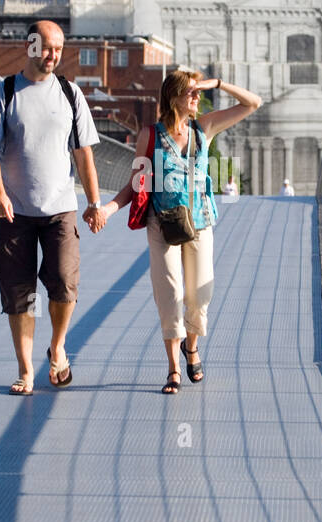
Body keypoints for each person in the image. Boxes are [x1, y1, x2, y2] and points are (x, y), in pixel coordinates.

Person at [101, 70, 261, 393]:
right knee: (170, 294)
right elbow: (136, 184)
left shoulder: (204, 130)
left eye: (197, 92)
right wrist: (108, 209)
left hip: (199, 223)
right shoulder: (151, 135)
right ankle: (174, 368)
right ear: (172, 95)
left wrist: (215, 84)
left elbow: (253, 103)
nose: (195, 97)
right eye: (190, 92)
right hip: (162, 225)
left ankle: (192, 346)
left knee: (199, 294)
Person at [0, 21, 105, 394]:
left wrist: (95, 202)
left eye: (59, 49)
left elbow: (84, 153)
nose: (53, 56)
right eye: (47, 48)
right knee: (19, 292)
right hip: (14, 211)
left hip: (60, 209)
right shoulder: (4, 92)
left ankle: (58, 345)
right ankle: (25, 370)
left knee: (64, 283)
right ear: (30, 46)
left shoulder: (70, 93)